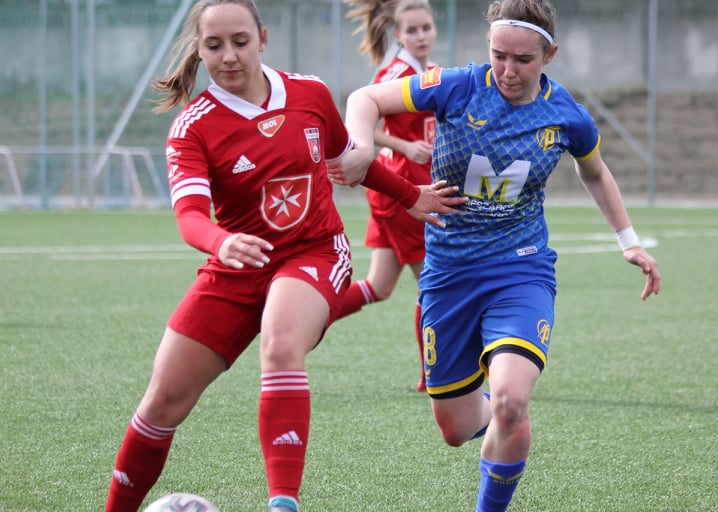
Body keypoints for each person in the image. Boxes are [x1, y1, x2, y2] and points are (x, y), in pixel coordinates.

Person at [102, 2, 464, 512]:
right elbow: (191, 217)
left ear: (263, 39)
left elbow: (350, 161)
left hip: (314, 251)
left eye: (240, 41)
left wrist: (410, 195)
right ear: (199, 50)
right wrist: (221, 243)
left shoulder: (309, 93)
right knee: (162, 401)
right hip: (236, 263)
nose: (229, 56)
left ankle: (282, 504)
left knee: (280, 344)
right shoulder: (192, 126)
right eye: (214, 46)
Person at [328, 0, 662, 510]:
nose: (508, 70)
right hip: (448, 275)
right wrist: (362, 146)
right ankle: (503, 419)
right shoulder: (457, 85)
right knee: (456, 428)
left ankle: (506, 431)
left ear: (549, 55)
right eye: (498, 55)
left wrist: (629, 240)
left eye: (523, 59)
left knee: (510, 402)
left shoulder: (565, 114)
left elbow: (593, 170)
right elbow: (365, 98)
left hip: (520, 269)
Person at [338, 0, 438, 392]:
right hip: (403, 190)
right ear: (399, 35)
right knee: (433, 283)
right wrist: (404, 144)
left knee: (379, 286)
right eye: (412, 30)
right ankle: (433, 376)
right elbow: (363, 122)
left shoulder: (430, 72)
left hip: (397, 189)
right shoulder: (395, 72)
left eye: (426, 28)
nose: (421, 36)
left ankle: (298, 323)